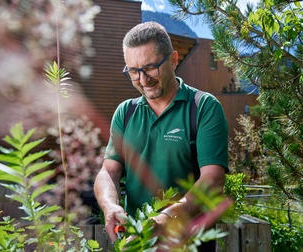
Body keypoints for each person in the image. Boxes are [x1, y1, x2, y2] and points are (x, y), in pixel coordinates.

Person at [94, 21, 229, 250]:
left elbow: (213, 179)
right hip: (138, 243)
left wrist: (167, 217)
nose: (143, 80)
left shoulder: (203, 107)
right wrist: (110, 206)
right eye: (134, 71)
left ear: (174, 60)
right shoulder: (125, 113)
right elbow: (109, 170)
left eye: (150, 68)